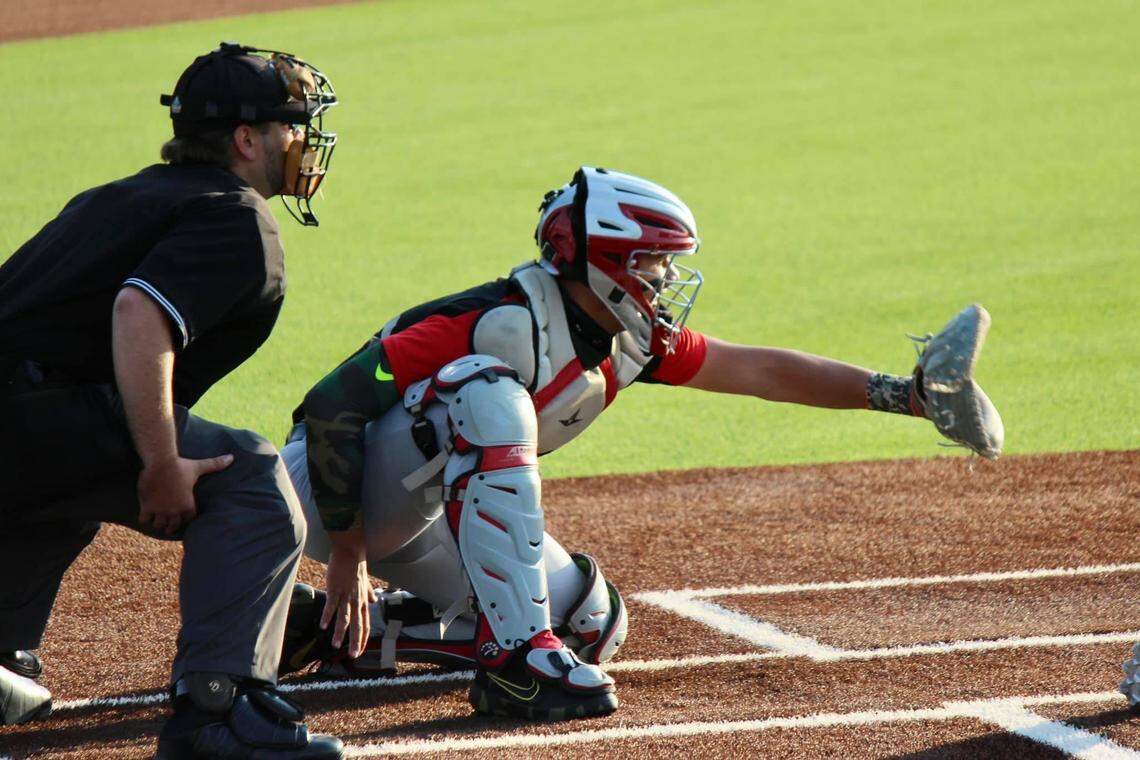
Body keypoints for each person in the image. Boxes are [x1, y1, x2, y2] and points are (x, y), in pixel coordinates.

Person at [278, 166, 1004, 721]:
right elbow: (333, 404)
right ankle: (517, 667)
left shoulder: (628, 341)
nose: (664, 281)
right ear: (604, 262)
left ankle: (341, 635)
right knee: (487, 394)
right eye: (652, 264)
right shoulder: (495, 319)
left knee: (591, 621)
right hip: (328, 490)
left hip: (412, 514)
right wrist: (348, 552)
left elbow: (758, 368)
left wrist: (903, 396)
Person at [0, 42, 344, 759]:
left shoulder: (112, 198)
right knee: (248, 475)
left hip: (25, 429)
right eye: (292, 127)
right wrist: (160, 460)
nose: (303, 143)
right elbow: (138, 313)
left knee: (66, 497)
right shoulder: (235, 215)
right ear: (247, 140)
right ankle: (217, 712)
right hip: (30, 417)